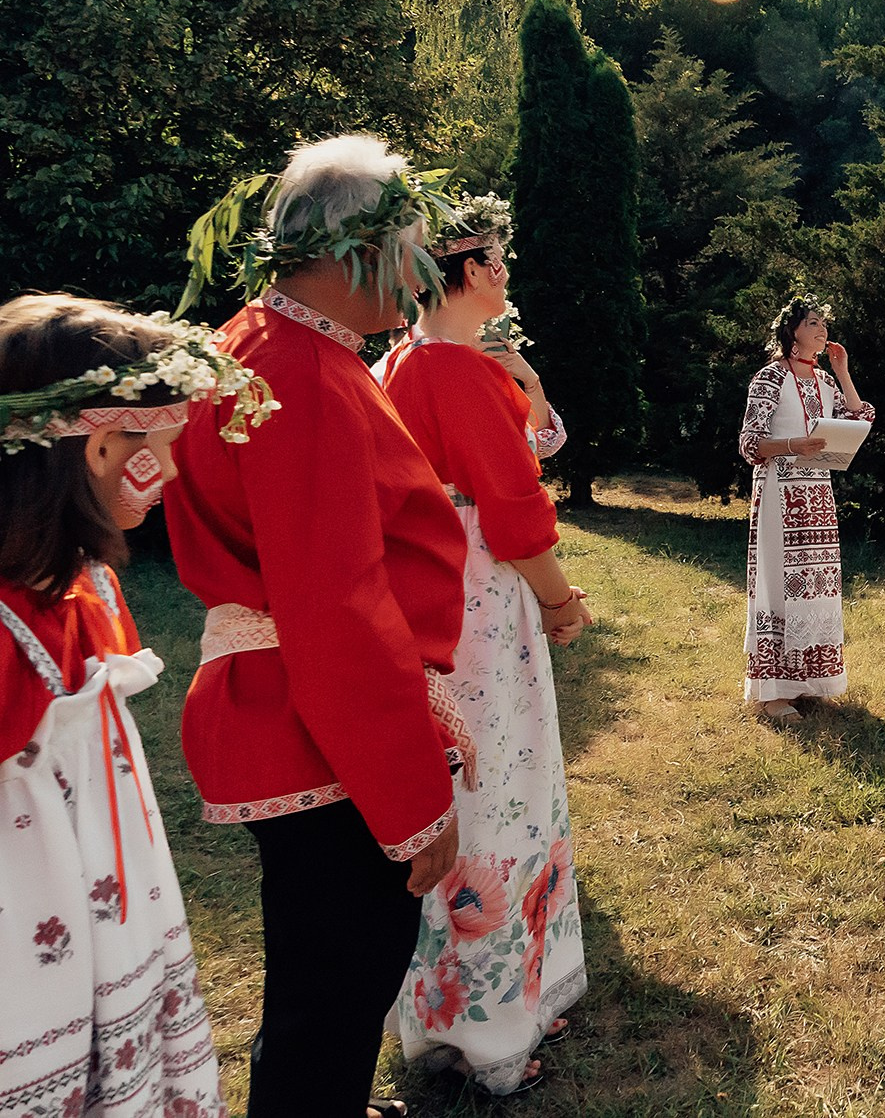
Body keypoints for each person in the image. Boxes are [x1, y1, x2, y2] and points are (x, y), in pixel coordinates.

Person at [166, 135, 472, 1118]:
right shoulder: (297, 373)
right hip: (319, 729)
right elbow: (338, 606)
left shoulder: (265, 344)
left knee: (323, 976)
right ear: (355, 252)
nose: (422, 277)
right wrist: (413, 798)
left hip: (298, 717)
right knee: (336, 979)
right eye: (412, 251)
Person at [0, 296, 261, 1118]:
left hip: (106, 902)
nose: (175, 474)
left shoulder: (90, 585)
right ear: (104, 445)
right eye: (162, 450)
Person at [375, 196, 590, 1093]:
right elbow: (512, 510)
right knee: (498, 779)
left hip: (430, 595)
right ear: (471, 273)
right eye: (498, 260)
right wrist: (559, 599)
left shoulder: (396, 361)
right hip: (482, 603)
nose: (507, 274)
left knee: (458, 781)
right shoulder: (454, 369)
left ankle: (443, 1010)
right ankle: (492, 1030)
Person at [738, 295, 875, 722]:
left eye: (824, 323)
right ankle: (773, 692)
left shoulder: (825, 383)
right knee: (780, 586)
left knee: (815, 587)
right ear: (792, 330)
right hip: (780, 493)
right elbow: (748, 444)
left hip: (818, 495)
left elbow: (861, 418)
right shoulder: (770, 377)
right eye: (812, 322)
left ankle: (808, 682)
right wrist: (793, 445)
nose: (822, 329)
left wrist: (843, 373)